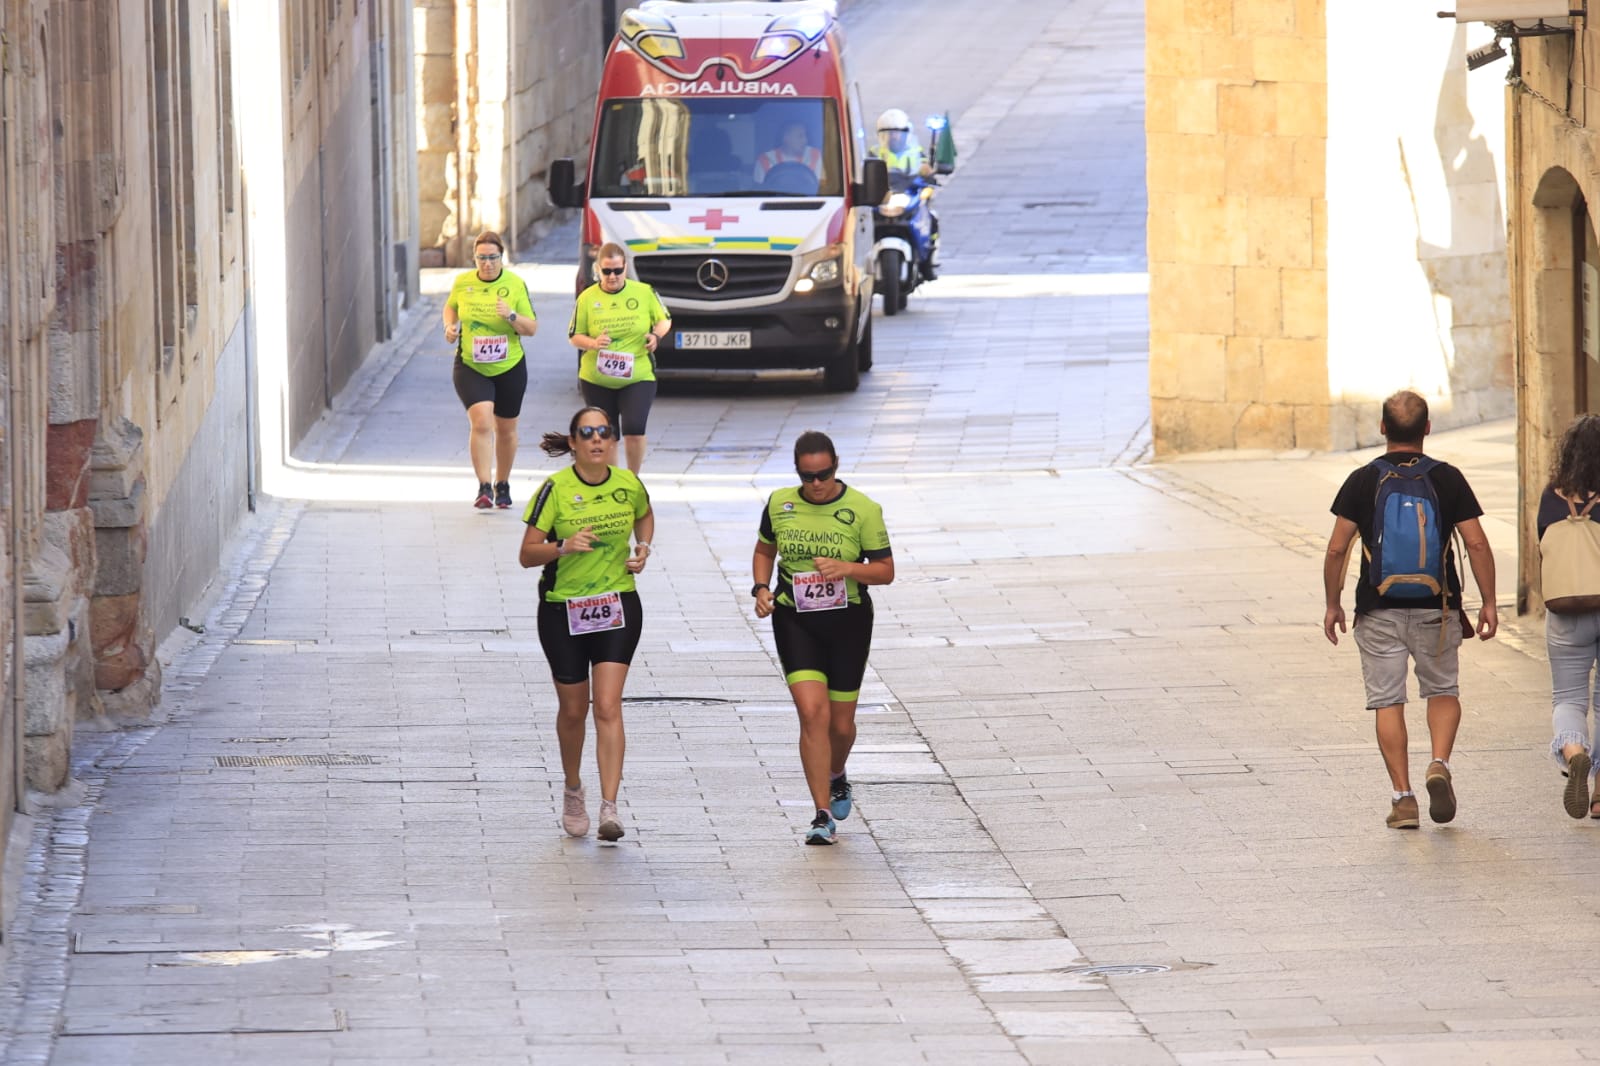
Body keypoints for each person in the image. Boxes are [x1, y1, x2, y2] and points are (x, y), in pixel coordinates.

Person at [1323, 389, 1497, 830]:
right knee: (1442, 690)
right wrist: (1488, 602)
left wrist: (1332, 604)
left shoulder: (1363, 479)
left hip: (1378, 608)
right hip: (1436, 608)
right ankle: (1438, 762)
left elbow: (1337, 549)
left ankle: (1403, 799)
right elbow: (1475, 542)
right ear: (1427, 429)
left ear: (1383, 428)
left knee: (1388, 701)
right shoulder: (1447, 478)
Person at [751, 432, 894, 845]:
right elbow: (765, 550)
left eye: (824, 475)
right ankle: (820, 814)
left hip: (847, 621)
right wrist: (761, 589)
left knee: (842, 725)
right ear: (798, 471)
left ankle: (837, 772)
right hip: (796, 619)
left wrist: (847, 569)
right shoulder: (780, 503)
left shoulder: (863, 509)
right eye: (808, 476)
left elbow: (885, 571)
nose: (816, 484)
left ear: (836, 466)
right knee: (813, 714)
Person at [520, 406, 655, 842]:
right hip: (563, 610)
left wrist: (643, 546)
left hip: (617, 605)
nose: (597, 440)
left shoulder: (628, 484)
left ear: (613, 442)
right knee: (575, 710)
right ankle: (573, 787)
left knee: (609, 706)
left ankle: (609, 808)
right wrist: (562, 546)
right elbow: (527, 554)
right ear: (574, 444)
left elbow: (645, 514)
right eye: (587, 433)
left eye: (604, 433)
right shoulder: (554, 489)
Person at [443, 230, 537, 510]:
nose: (487, 264)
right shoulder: (463, 283)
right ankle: (484, 486)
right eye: (481, 258)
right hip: (472, 365)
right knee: (482, 422)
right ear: (474, 258)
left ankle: (502, 483)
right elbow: (451, 308)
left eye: (492, 258)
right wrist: (449, 326)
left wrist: (510, 315)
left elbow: (531, 328)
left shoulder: (515, 284)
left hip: (510, 366)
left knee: (506, 429)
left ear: (501, 258)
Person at [1537, 413, 1600, 819]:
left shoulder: (1551, 496)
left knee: (1568, 697)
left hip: (1565, 610)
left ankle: (1574, 750)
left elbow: (1542, 547)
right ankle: (1599, 796)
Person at [567, 243, 672, 474]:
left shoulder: (644, 292)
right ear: (598, 269)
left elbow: (665, 319)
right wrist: (593, 343)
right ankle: (613, 479)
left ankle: (632, 479)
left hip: (638, 374)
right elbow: (574, 336)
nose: (612, 276)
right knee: (606, 434)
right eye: (606, 271)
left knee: (634, 428)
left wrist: (655, 336)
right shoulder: (587, 298)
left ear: (625, 267)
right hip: (597, 378)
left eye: (617, 270)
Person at [753, 121, 824, 184]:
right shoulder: (765, 160)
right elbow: (759, 192)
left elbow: (822, 187)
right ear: (786, 138)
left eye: (805, 135)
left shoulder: (814, 155)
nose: (805, 140)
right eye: (800, 136)